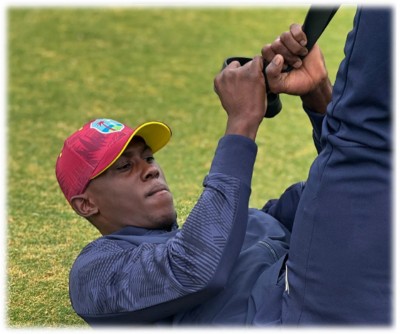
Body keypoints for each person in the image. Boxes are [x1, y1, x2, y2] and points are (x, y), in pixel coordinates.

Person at [55, 7, 391, 326]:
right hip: (302, 314)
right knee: (368, 131)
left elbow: (339, 195)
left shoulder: (254, 223)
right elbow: (195, 268)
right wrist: (242, 122)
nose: (151, 170)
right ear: (86, 204)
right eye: (124, 166)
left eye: (149, 158)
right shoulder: (95, 272)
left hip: (360, 294)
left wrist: (317, 93)